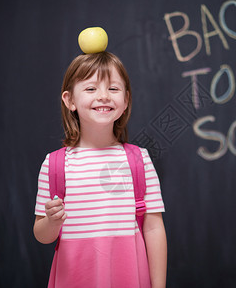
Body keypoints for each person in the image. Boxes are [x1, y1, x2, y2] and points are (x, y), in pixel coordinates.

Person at [33, 51, 167, 287]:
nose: (103, 96)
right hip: (74, 276)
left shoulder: (139, 160)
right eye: (91, 89)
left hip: (128, 276)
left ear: (126, 100)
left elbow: (154, 229)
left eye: (113, 89)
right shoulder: (54, 165)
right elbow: (42, 234)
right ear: (69, 100)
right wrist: (52, 222)